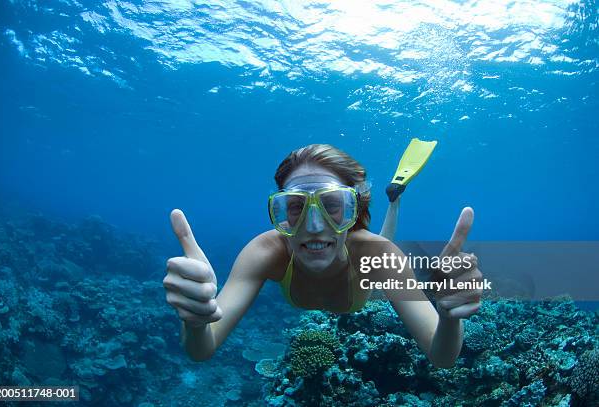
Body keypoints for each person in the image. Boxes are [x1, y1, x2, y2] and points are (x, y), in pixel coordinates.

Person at [163, 144, 483, 368]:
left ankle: (394, 199)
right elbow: (202, 349)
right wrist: (195, 322)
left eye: (332, 206)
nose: (314, 227)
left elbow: (441, 357)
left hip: (368, 262)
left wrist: (448, 319)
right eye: (296, 207)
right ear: (281, 215)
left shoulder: (380, 254)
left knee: (380, 248)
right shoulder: (264, 253)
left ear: (352, 211)